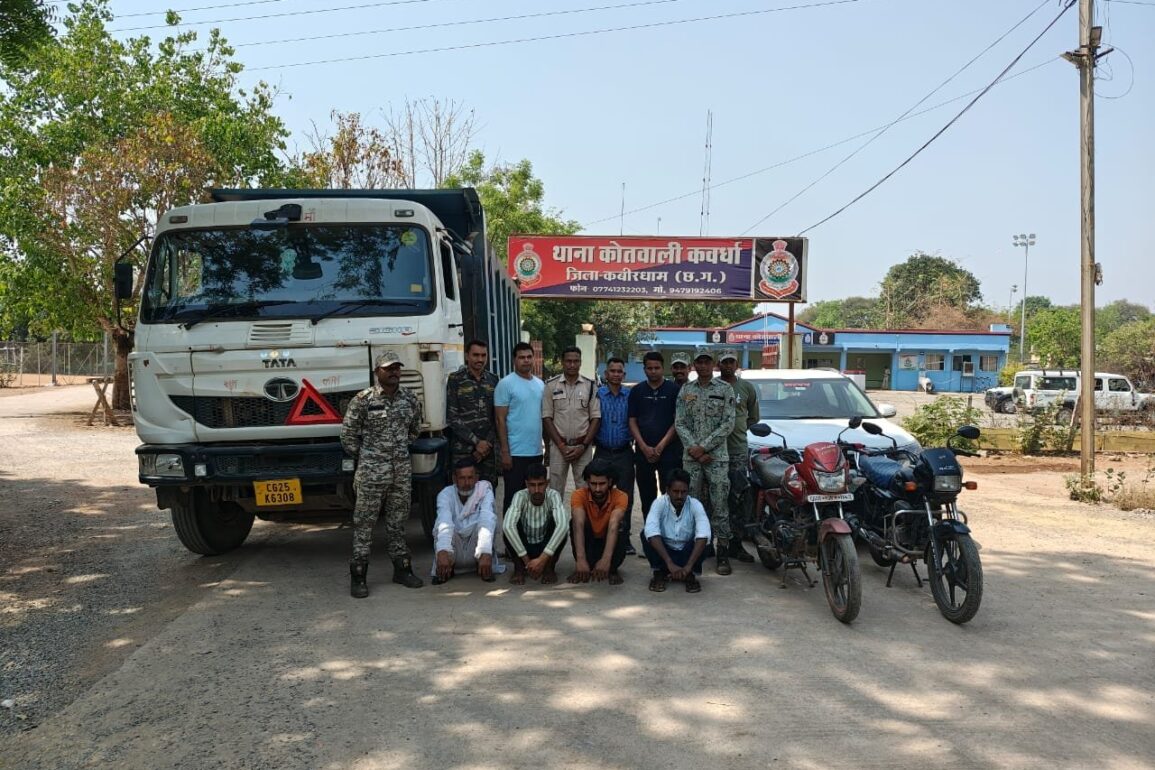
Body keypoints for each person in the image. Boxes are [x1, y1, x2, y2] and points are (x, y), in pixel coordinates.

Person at [342, 351, 425, 598]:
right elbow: (347, 436)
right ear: (377, 371)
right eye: (388, 368)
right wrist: (369, 456)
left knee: (398, 524)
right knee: (364, 526)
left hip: (400, 473)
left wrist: (396, 452)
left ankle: (402, 570)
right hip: (370, 475)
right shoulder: (363, 400)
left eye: (397, 368)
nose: (394, 372)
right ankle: (358, 576)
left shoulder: (410, 399)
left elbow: (414, 430)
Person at [675, 350, 737, 576]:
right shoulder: (686, 390)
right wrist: (695, 449)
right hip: (691, 457)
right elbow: (680, 423)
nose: (702, 366)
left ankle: (723, 552)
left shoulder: (725, 389)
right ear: (694, 365)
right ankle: (694, 549)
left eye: (706, 362)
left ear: (713, 364)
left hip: (717, 458)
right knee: (690, 503)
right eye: (698, 362)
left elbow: (728, 423)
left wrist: (705, 447)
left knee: (720, 504)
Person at [628, 351, 682, 547]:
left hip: (669, 452)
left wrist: (660, 446)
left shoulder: (674, 390)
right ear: (644, 369)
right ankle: (650, 538)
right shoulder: (637, 391)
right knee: (647, 496)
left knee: (670, 495)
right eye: (649, 368)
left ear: (663, 368)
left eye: (656, 368)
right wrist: (643, 446)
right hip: (643, 453)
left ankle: (670, 537)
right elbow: (632, 421)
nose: (653, 371)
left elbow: (678, 422)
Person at [430, 458, 505, 585]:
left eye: (470, 478)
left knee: (486, 526)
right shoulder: (445, 494)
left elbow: (486, 520)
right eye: (462, 478)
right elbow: (444, 523)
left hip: (478, 552)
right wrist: (442, 551)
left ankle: (484, 569)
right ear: (454, 479)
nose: (466, 483)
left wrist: (486, 551)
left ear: (476, 478)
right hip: (453, 551)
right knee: (441, 528)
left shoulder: (484, 491)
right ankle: (446, 569)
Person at [718, 350, 760, 564]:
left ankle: (735, 545)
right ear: (719, 364)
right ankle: (712, 545)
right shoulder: (714, 387)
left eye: (731, 362)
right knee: (714, 500)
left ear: (737, 363)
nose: (727, 366)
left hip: (737, 453)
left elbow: (753, 418)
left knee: (736, 500)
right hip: (715, 453)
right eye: (724, 362)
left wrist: (738, 429)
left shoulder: (747, 388)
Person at [541, 346, 600, 497]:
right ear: (562, 362)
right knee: (555, 490)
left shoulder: (590, 386)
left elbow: (595, 418)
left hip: (582, 448)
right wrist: (561, 445)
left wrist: (584, 445)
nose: (572, 365)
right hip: (558, 447)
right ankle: (556, 520)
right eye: (568, 361)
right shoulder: (551, 385)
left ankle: (581, 521)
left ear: (580, 363)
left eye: (576, 361)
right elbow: (547, 418)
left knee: (585, 490)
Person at [495, 342, 545, 511]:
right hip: (515, 454)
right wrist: (505, 452)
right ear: (514, 360)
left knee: (534, 500)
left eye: (529, 357)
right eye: (521, 357)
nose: (526, 361)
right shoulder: (505, 384)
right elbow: (500, 420)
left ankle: (528, 536)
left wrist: (548, 447)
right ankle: (510, 537)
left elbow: (543, 418)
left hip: (536, 452)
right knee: (513, 499)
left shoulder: (540, 385)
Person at [643, 469, 711, 593]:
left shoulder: (695, 505)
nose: (680, 496)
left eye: (683, 492)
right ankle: (659, 571)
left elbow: (703, 534)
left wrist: (688, 567)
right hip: (665, 553)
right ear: (667, 490)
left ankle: (690, 573)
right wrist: (669, 563)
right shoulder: (659, 504)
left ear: (688, 491)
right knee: (646, 534)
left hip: (687, 554)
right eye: (675, 492)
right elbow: (651, 531)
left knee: (705, 538)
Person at [593, 357, 636, 554]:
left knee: (625, 497)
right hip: (602, 452)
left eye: (620, 371)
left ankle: (624, 538)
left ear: (624, 375)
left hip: (624, 452)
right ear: (606, 374)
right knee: (601, 494)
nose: (616, 374)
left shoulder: (630, 395)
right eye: (613, 371)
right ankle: (601, 536)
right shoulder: (598, 395)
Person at [502, 463, 570, 585]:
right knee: (509, 527)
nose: (537, 490)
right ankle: (519, 569)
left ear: (547, 483)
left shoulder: (553, 495)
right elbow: (507, 526)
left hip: (545, 546)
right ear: (527, 484)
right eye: (532, 485)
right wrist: (527, 561)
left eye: (541, 484)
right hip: (523, 547)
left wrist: (543, 559)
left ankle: (549, 568)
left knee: (561, 527)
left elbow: (563, 526)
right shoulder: (520, 496)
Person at [446, 339, 500, 486]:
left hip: (488, 452)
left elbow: (498, 417)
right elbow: (452, 417)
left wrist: (486, 444)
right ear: (466, 356)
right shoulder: (455, 379)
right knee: (463, 494)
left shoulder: (493, 380)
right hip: (463, 450)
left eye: (483, 355)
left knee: (488, 493)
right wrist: (476, 442)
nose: (480, 359)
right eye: (475, 355)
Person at [567, 458, 628, 585]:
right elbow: (578, 524)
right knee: (574, 521)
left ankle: (612, 570)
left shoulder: (621, 496)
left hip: (609, 541)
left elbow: (613, 525)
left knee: (621, 525)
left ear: (610, 482)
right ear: (588, 482)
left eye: (602, 484)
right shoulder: (578, 495)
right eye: (593, 484)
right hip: (589, 541)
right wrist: (580, 559)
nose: (598, 489)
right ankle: (584, 566)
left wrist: (606, 560)